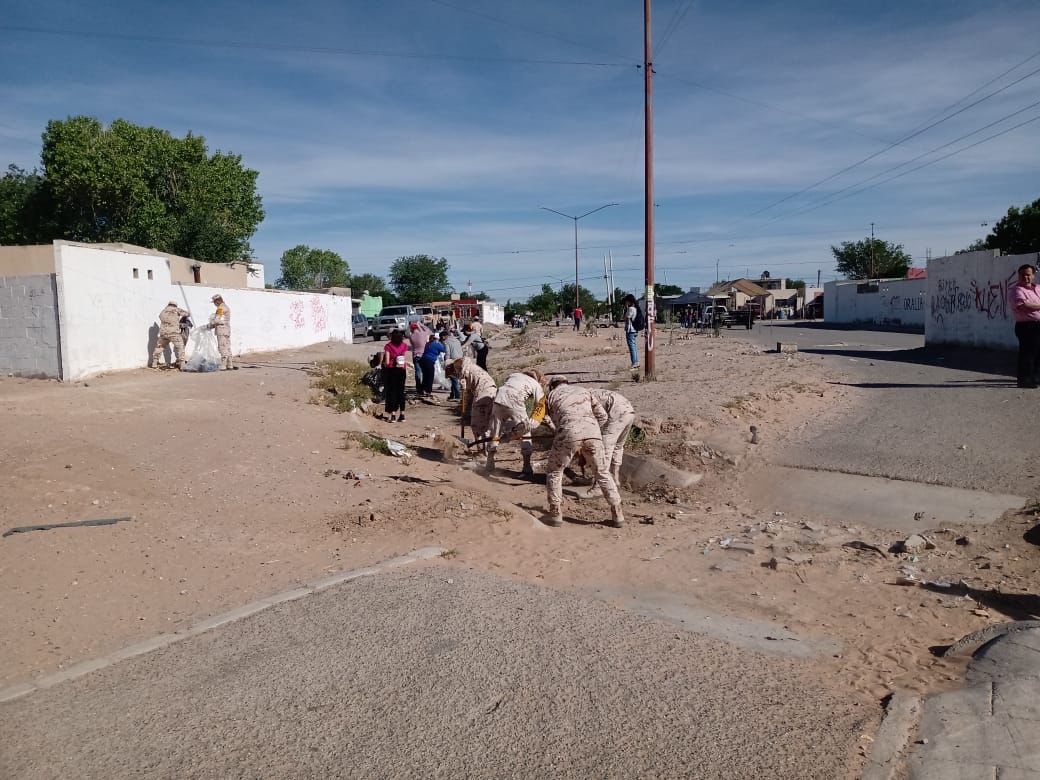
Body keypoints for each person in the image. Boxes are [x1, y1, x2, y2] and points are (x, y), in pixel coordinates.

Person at [542, 376, 624, 528]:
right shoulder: (583, 391)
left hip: (568, 433)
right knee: (602, 472)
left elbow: (549, 419)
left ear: (552, 386)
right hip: (593, 433)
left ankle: (555, 512)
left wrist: (559, 432)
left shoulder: (550, 396)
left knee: (555, 472)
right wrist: (590, 429)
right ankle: (617, 512)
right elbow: (603, 416)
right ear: (567, 383)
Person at [487, 369, 548, 476]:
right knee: (525, 434)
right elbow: (540, 405)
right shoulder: (535, 384)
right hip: (515, 399)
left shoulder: (513, 375)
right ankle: (527, 467)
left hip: (498, 399)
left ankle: (489, 462)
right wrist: (532, 423)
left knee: (495, 431)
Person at [446, 357, 496, 447]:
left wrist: (464, 413)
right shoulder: (471, 367)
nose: (454, 376)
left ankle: (482, 451)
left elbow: (467, 395)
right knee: (486, 424)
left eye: (452, 374)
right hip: (492, 393)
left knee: (476, 425)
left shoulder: (464, 373)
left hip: (482, 394)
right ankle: (489, 449)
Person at [1009, 263, 1040, 388]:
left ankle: (1036, 377)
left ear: (1033, 276)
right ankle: (1024, 380)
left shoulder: (1038, 288)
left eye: (1028, 275)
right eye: (1022, 275)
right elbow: (1024, 306)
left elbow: (1032, 305)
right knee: (1028, 354)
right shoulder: (1017, 291)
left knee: (1038, 353)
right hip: (1027, 327)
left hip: (1038, 326)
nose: (1025, 277)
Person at [151, 301, 190, 369]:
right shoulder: (176, 309)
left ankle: (154, 362)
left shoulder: (163, 311)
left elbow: (160, 317)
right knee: (180, 347)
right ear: (175, 305)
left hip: (163, 332)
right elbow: (187, 314)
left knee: (159, 347)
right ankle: (182, 364)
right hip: (174, 332)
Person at [381, 329, 410, 422]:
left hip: (392, 371)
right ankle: (402, 414)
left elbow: (388, 361)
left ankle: (393, 414)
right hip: (402, 370)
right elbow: (405, 358)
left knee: (392, 392)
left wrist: (384, 364)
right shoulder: (404, 345)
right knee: (401, 392)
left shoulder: (388, 346)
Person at [204, 294, 235, 370]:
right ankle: (230, 364)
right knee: (227, 347)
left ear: (217, 301)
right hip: (226, 330)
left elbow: (217, 320)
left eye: (214, 302)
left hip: (221, 330)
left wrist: (209, 325)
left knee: (222, 347)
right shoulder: (226, 307)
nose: (214, 304)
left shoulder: (220, 308)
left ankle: (223, 365)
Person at [418, 332, 447, 398]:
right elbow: (444, 350)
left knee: (425, 376)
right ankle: (428, 391)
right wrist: (443, 344)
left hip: (423, 360)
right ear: (436, 339)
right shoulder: (436, 344)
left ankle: (421, 390)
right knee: (430, 377)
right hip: (429, 361)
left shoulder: (428, 344)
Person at [408, 321, 431, 394]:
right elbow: (428, 330)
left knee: (418, 373)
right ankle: (425, 388)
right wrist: (420, 324)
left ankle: (419, 389)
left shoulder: (411, 336)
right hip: (423, 355)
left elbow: (412, 345)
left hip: (415, 355)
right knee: (425, 372)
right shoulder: (423, 334)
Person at [440, 329, 463, 400]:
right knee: (454, 378)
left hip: (452, 361)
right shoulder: (456, 340)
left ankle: (457, 396)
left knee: (454, 379)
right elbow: (463, 338)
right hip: (460, 359)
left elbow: (447, 353)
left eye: (441, 338)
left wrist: (446, 363)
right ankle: (452, 395)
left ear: (444, 337)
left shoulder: (446, 342)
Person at [622, 294, 639, 370]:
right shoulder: (635, 308)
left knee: (632, 347)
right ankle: (636, 362)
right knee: (634, 346)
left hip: (630, 329)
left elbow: (625, 317)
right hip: (634, 329)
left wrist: (626, 309)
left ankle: (634, 363)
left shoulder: (630, 309)